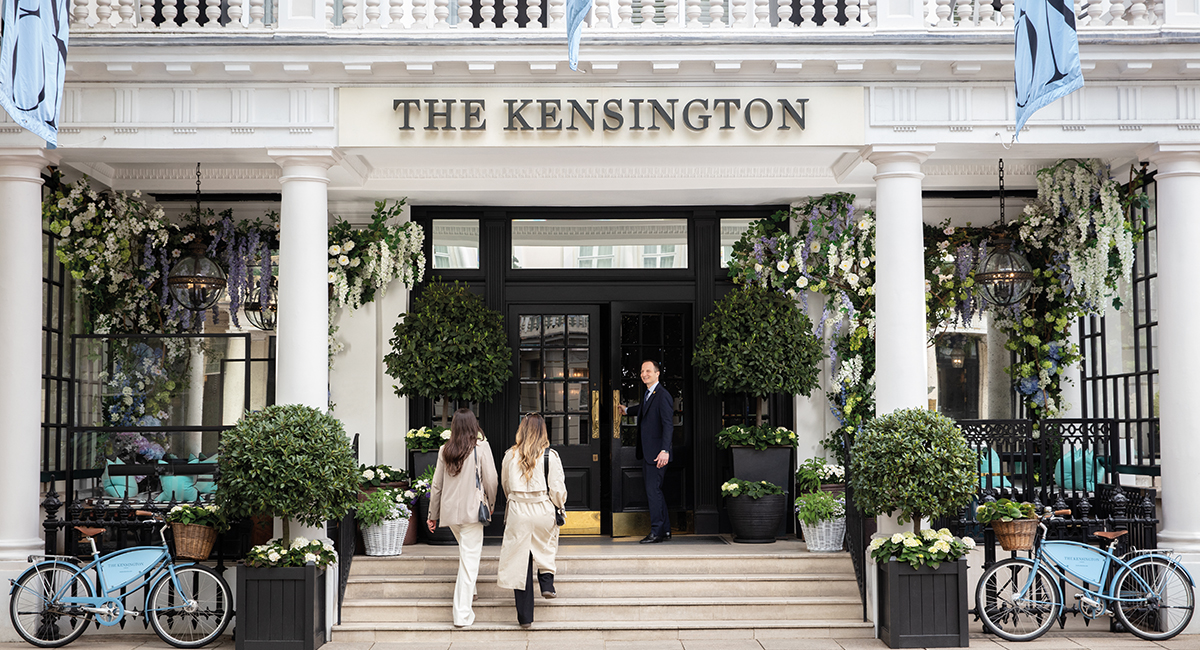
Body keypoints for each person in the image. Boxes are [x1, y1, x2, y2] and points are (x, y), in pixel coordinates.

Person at [427, 408, 498, 628]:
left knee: (466, 554)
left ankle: (472, 591)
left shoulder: (444, 450)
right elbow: (492, 480)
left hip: (451, 514)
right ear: (473, 425)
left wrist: (433, 514)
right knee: (469, 561)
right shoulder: (481, 448)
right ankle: (462, 614)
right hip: (473, 513)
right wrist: (491, 504)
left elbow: (436, 485)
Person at [497, 412, 567, 628]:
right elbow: (557, 489)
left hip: (519, 509)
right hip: (542, 507)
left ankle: (525, 618)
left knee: (520, 562)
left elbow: (506, 485)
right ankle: (547, 584)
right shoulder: (550, 456)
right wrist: (560, 505)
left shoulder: (510, 455)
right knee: (545, 546)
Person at [618, 359, 674, 544]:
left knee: (653, 492)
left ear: (657, 373)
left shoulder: (663, 395)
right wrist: (627, 410)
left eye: (648, 371)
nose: (644, 374)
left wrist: (665, 450)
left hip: (658, 454)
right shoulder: (650, 394)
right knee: (655, 491)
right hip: (650, 453)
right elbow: (644, 409)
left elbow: (668, 425)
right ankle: (664, 530)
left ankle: (657, 532)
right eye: (642, 371)